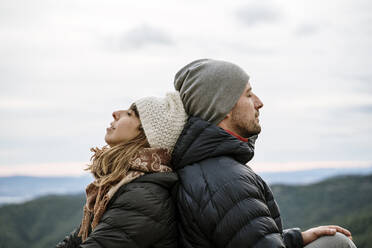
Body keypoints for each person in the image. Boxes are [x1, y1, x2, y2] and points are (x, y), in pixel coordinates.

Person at [171, 58, 357, 248]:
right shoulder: (228, 181)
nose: (259, 103)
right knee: (338, 243)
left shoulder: (208, 170)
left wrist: (297, 239)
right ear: (223, 107)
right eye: (249, 95)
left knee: (330, 240)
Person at [56, 92, 188, 248]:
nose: (115, 113)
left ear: (146, 133)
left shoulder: (144, 196)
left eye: (129, 113)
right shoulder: (125, 185)